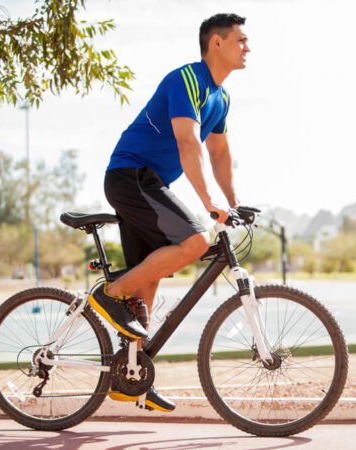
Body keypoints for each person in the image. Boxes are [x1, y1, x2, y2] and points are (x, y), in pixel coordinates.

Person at [88, 13, 249, 412]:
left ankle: (131, 380)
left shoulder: (221, 97)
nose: (248, 48)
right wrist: (210, 203)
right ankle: (109, 293)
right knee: (195, 240)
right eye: (241, 41)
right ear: (216, 43)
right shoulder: (187, 79)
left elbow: (219, 152)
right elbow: (188, 142)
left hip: (149, 182)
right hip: (131, 176)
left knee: (147, 288)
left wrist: (234, 201)